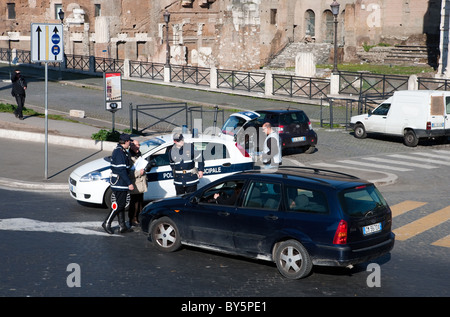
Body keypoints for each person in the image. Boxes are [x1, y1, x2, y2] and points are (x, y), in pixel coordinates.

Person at [102, 133, 134, 234]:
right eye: (129, 141)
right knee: (119, 205)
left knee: (122, 204)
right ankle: (107, 223)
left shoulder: (122, 151)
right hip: (120, 183)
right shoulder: (119, 152)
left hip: (120, 183)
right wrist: (129, 183)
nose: (130, 143)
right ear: (125, 142)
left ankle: (122, 226)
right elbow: (121, 170)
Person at [128, 140, 147, 226]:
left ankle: (138, 218)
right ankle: (133, 219)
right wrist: (140, 172)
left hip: (141, 183)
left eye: (139, 144)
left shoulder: (138, 155)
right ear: (131, 146)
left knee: (140, 202)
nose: (138, 147)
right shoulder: (129, 157)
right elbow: (129, 173)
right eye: (136, 145)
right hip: (135, 183)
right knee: (134, 203)